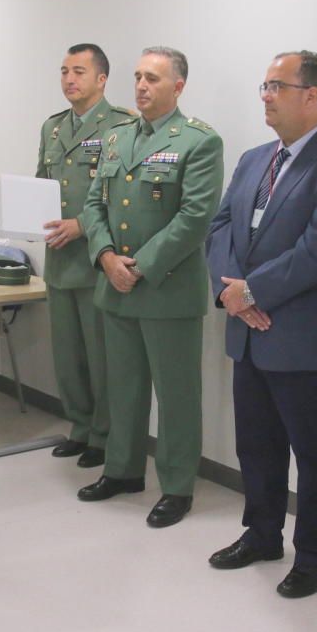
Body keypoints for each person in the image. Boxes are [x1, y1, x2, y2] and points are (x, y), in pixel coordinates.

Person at [205, 51, 317, 598]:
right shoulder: (254, 159)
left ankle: (316, 555)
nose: (266, 95)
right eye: (264, 85)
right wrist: (231, 294)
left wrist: (249, 291)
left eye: (278, 85)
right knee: (257, 445)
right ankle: (262, 532)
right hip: (249, 332)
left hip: (307, 339)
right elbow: (220, 227)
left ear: (311, 95)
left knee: (316, 457)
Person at [77, 46, 224, 528]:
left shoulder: (200, 142)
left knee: (177, 394)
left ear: (178, 86)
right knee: (123, 388)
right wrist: (104, 257)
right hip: (115, 284)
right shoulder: (117, 138)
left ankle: (178, 486)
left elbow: (195, 218)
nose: (141, 86)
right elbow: (93, 204)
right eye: (138, 76)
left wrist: (136, 266)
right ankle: (122, 470)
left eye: (153, 78)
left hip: (165, 290)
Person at [37, 43, 135, 469]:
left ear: (101, 79)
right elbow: (41, 185)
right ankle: (79, 426)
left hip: (94, 258)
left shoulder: (122, 127)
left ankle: (104, 434)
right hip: (59, 261)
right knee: (68, 357)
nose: (69, 79)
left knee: (101, 358)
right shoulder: (52, 128)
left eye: (78, 71)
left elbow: (123, 197)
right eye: (63, 71)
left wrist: (80, 224)